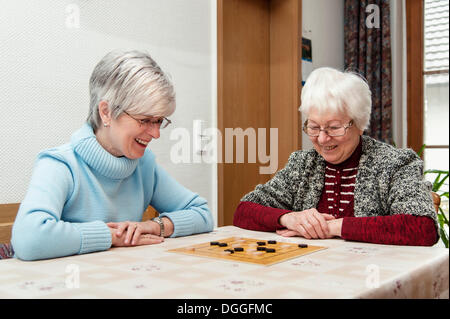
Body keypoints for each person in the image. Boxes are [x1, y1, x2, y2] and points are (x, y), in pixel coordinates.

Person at [11, 50, 214, 261]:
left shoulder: (143, 165)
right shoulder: (60, 164)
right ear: (106, 112)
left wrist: (155, 226)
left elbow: (202, 214)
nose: (155, 133)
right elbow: (28, 239)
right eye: (145, 120)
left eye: (159, 121)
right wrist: (111, 236)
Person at [233, 67, 439, 246]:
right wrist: (288, 218)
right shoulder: (303, 164)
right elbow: (244, 211)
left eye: (333, 128)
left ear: (359, 124)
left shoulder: (394, 163)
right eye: (313, 127)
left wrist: (333, 227)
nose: (322, 139)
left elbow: (422, 227)